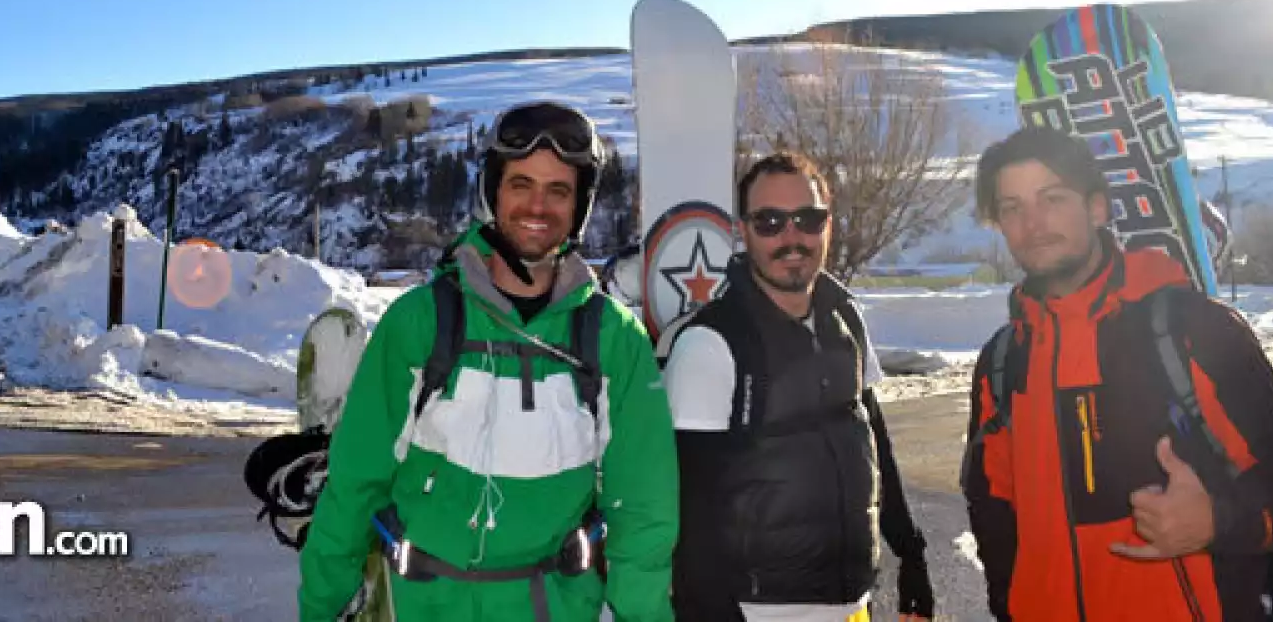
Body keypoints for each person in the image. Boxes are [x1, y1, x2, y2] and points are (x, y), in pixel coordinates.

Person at [297, 101, 679, 622]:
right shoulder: (420, 323)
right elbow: (356, 483)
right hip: (425, 606)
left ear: (580, 206)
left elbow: (642, 508)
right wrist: (320, 606)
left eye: (558, 190)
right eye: (521, 184)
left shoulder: (613, 340)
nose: (537, 206)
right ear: (493, 191)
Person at [961, 126, 1273, 622]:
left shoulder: (1192, 329)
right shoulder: (1002, 362)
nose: (1033, 222)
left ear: (1097, 208)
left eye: (1052, 198)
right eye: (1012, 207)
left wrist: (1215, 519)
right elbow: (993, 510)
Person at [661, 151, 935, 622]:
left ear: (828, 225)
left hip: (852, 604)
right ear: (744, 231)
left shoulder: (845, 319)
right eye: (770, 221)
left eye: (808, 219)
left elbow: (873, 444)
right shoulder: (709, 344)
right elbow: (687, 517)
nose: (791, 238)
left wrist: (911, 555)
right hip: (760, 611)